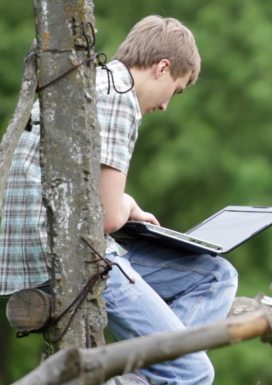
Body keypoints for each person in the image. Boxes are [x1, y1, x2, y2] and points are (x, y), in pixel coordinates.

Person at [0, 16, 238, 385]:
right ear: (163, 68)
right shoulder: (119, 98)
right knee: (193, 373)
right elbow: (110, 217)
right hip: (67, 259)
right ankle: (146, 372)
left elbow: (94, 198)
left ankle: (152, 368)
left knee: (216, 274)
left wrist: (127, 204)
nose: (165, 107)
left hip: (49, 248)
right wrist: (127, 206)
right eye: (175, 91)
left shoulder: (97, 82)